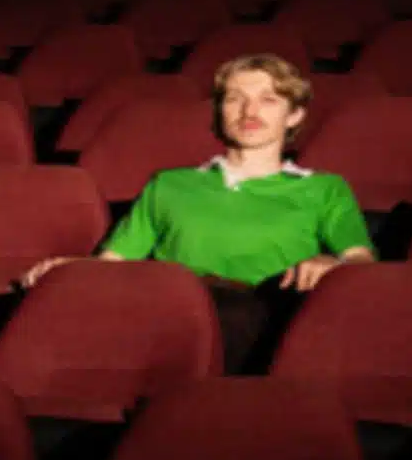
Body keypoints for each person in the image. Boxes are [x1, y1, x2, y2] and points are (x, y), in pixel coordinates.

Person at [20, 53, 376, 372]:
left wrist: (333, 263)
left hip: (265, 314)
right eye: (235, 99)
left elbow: (361, 261)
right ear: (219, 111)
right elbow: (114, 263)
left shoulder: (324, 188)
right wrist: (65, 268)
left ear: (294, 115)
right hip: (170, 311)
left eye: (268, 100)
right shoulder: (170, 184)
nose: (249, 112)